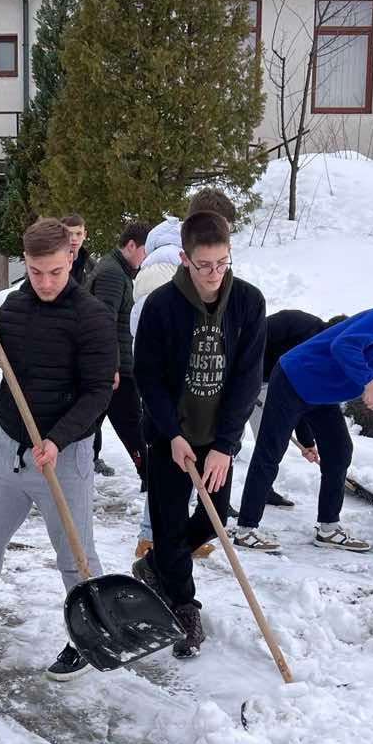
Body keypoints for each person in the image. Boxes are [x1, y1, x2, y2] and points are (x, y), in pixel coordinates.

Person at [0, 217, 116, 681]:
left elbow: (98, 392)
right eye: (36, 272)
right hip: (9, 444)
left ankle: (85, 635)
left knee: (74, 554)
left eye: (55, 271)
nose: (47, 281)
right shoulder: (12, 308)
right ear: (26, 265)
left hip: (63, 455)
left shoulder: (91, 317)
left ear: (70, 258)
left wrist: (58, 438)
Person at [131, 210, 265, 659]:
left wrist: (225, 446)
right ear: (185, 259)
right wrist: (171, 434)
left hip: (216, 437)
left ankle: (156, 565)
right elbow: (147, 378)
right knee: (168, 522)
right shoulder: (161, 306)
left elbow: (247, 377)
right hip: (170, 438)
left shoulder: (248, 302)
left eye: (222, 263)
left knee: (214, 519)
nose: (214, 274)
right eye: (204, 264)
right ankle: (184, 608)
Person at [231, 304, 373, 553]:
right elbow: (344, 345)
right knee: (270, 451)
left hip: (323, 395)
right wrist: (369, 381)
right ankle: (246, 529)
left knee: (339, 451)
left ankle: (328, 527)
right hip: (295, 379)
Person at [128, 188, 239, 558]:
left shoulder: (222, 276)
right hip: (171, 408)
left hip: (207, 410)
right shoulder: (164, 264)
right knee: (166, 503)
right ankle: (153, 542)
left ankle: (165, 553)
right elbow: (146, 326)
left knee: (197, 510)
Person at [247, 310, 345, 509]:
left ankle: (264, 491)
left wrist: (307, 441)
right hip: (245, 377)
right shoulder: (296, 323)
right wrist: (245, 379)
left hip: (271, 385)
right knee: (229, 443)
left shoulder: (324, 354)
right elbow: (249, 339)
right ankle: (212, 501)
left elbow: (302, 396)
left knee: (267, 442)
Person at [85, 221, 150, 479]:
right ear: (131, 245)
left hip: (116, 365)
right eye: (144, 250)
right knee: (134, 427)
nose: (146, 258)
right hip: (116, 370)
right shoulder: (112, 273)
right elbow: (104, 322)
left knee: (91, 423)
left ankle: (82, 464)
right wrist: (110, 366)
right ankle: (151, 478)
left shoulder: (119, 270)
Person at [61, 213, 91, 287]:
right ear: (61, 235)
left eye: (78, 234)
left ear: (85, 235)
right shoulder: (50, 263)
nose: (74, 238)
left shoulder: (91, 266)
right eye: (69, 234)